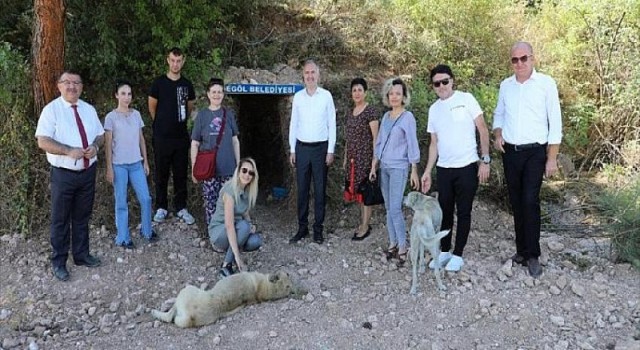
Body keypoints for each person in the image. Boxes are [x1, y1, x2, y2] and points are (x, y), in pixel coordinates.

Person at [493, 41, 562, 277]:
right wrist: (498, 134)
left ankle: (533, 254)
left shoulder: (546, 84)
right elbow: (499, 114)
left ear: (533, 58)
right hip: (511, 152)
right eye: (515, 60)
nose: (519, 63)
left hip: (535, 152)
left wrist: (551, 158)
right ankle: (521, 251)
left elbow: (555, 122)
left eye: (524, 58)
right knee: (516, 201)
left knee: (530, 200)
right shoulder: (506, 86)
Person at [420, 64, 490, 272]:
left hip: (467, 166)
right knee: (445, 212)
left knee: (465, 211)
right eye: (436, 83)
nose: (441, 86)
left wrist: (484, 160)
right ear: (432, 86)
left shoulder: (466, 99)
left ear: (452, 80)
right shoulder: (434, 109)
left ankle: (458, 253)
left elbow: (483, 129)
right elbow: (434, 143)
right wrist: (427, 171)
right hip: (444, 168)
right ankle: (444, 251)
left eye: (445, 81)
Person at [35, 71, 104, 281]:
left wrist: (95, 146)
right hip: (63, 174)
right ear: (59, 86)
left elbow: (100, 135)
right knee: (60, 219)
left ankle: (81, 255)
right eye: (67, 82)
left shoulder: (88, 109)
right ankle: (59, 262)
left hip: (87, 173)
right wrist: (67, 150)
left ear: (81, 87)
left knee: (82, 217)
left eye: (76, 83)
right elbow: (42, 140)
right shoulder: (52, 110)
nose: (72, 86)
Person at [369, 77, 420, 267]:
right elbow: (380, 142)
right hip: (385, 167)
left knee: (396, 208)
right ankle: (392, 243)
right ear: (387, 96)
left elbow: (412, 144)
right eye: (391, 93)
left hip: (399, 167)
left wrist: (414, 169)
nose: (394, 97)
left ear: (404, 96)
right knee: (389, 208)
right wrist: (374, 164)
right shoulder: (385, 117)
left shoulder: (408, 118)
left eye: (398, 93)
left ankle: (403, 247)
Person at [104, 80, 158, 249]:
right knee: (121, 201)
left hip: (136, 163)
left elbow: (141, 139)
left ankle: (147, 231)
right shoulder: (111, 117)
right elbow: (108, 144)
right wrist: (109, 168)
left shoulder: (136, 115)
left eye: (129, 94)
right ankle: (123, 237)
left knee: (146, 198)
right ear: (116, 95)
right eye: (123, 93)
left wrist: (146, 161)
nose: (126, 97)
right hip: (119, 165)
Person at [288, 59, 337, 244]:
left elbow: (331, 124)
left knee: (319, 190)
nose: (310, 76)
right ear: (303, 75)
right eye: (307, 73)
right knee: (302, 190)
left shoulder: (326, 96)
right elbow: (294, 124)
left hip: (320, 148)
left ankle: (318, 229)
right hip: (301, 148)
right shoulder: (298, 97)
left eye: (313, 72)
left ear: (318, 75)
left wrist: (330, 150)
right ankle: (302, 228)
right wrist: (292, 149)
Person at [148, 47, 196, 225]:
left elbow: (189, 107)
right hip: (161, 137)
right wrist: (161, 123)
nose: (175, 64)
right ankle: (161, 207)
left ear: (183, 62)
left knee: (181, 173)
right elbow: (152, 107)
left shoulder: (187, 84)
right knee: (161, 173)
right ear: (168, 61)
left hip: (181, 137)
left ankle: (181, 207)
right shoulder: (159, 83)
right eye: (172, 60)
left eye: (179, 61)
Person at [191, 78, 240, 225]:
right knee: (211, 204)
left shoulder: (229, 114)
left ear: (223, 94)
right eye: (214, 92)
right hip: (209, 170)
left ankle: (228, 235)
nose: (216, 95)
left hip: (228, 169)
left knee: (229, 204)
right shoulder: (202, 116)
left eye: (219, 92)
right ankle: (214, 236)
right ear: (208, 94)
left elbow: (235, 141)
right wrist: (194, 167)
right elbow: (194, 143)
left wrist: (239, 165)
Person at [208, 158, 263, 277]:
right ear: (238, 171)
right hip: (220, 231)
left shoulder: (247, 191)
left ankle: (234, 247)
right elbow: (229, 225)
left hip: (236, 229)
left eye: (251, 173)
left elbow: (244, 213)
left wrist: (251, 224)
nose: (247, 175)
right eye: (244, 170)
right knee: (243, 226)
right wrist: (238, 259)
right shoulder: (230, 191)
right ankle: (226, 264)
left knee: (256, 241)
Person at [342, 77, 379, 240]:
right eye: (354, 90)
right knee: (357, 193)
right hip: (352, 160)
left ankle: (365, 226)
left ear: (365, 92)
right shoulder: (351, 113)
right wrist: (345, 157)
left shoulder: (370, 111)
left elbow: (376, 138)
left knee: (365, 194)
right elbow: (348, 139)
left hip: (365, 159)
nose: (357, 93)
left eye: (360, 90)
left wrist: (374, 164)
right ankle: (363, 222)